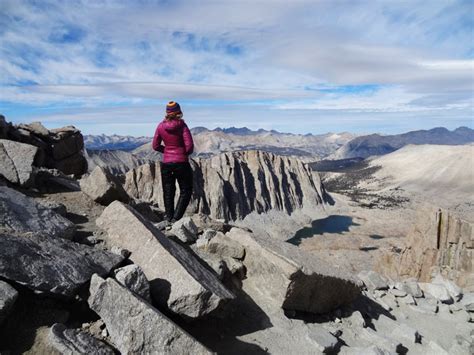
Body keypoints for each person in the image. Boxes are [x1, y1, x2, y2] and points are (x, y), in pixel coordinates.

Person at [152, 101, 194, 225]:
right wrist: (181, 153)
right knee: (186, 190)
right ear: (178, 112)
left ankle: (169, 217)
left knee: (168, 190)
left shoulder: (160, 126)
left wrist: (167, 151)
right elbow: (190, 146)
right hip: (181, 163)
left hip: (166, 163)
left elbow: (155, 146)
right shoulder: (182, 126)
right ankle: (177, 217)